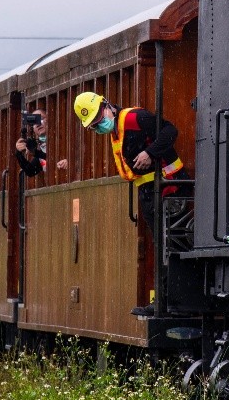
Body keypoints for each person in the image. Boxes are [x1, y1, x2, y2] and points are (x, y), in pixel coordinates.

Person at [73, 90, 182, 304]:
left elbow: (170, 131)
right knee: (162, 245)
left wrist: (150, 152)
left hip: (170, 187)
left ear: (107, 105)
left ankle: (169, 300)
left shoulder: (135, 118)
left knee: (169, 245)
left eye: (98, 118)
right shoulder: (116, 130)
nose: (98, 125)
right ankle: (163, 300)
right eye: (94, 125)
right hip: (149, 191)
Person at [14, 109, 67, 177]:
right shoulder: (41, 145)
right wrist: (19, 153)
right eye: (34, 122)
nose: (38, 124)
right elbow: (31, 171)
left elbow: (53, 157)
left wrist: (69, 161)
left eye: (41, 119)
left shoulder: (63, 138)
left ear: (49, 119)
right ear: (33, 129)